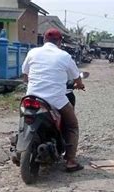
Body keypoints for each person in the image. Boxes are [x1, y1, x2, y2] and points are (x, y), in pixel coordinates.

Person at [22, 28, 85, 172]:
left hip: (31, 97)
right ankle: (70, 161)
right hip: (56, 100)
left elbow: (25, 76)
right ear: (60, 42)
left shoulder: (32, 52)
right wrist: (80, 85)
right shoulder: (65, 56)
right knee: (72, 125)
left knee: (23, 118)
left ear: (44, 40)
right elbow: (77, 79)